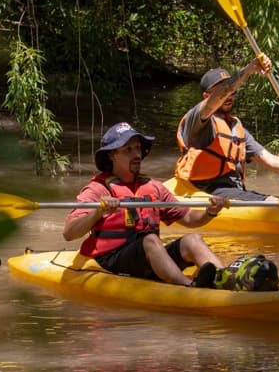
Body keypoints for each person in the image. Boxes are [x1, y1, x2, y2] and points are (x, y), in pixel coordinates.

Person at [64, 122, 228, 288]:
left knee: (192, 240)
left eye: (137, 148)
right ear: (111, 155)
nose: (136, 154)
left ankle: (227, 279)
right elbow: (69, 233)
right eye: (128, 149)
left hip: (148, 258)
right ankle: (189, 287)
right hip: (113, 261)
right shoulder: (98, 189)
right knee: (150, 240)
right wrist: (98, 212)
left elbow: (190, 218)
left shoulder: (154, 187)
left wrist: (210, 211)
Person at [175, 54, 279, 201]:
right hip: (208, 189)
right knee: (272, 202)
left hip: (233, 190)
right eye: (222, 90)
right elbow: (223, 93)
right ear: (207, 96)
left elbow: (269, 160)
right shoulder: (198, 119)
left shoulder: (235, 128)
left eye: (232, 91)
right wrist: (249, 70)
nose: (229, 95)